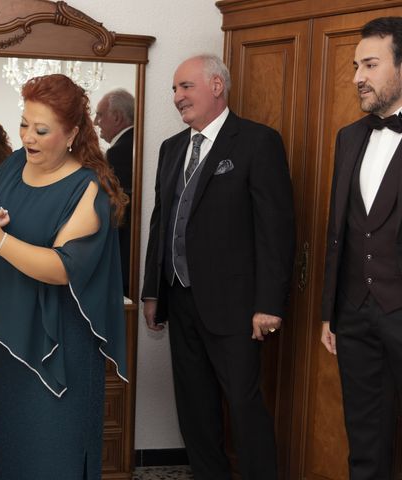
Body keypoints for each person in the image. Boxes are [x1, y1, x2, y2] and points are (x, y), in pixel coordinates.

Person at [0, 73, 129, 479]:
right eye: (24, 124)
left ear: (72, 134)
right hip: (15, 341)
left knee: (54, 453)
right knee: (17, 450)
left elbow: (64, 268)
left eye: (41, 130)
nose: (28, 136)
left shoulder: (88, 188)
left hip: (64, 343)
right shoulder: (13, 166)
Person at [141, 54, 295, 480]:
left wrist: (269, 304)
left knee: (244, 407)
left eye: (185, 87)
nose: (177, 97)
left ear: (216, 86)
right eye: (174, 89)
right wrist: (153, 291)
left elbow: (275, 230)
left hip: (237, 307)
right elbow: (161, 222)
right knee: (194, 407)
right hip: (180, 298)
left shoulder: (257, 142)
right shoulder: (172, 149)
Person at [320, 16, 402, 480]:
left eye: (370, 64)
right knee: (365, 442)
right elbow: (341, 230)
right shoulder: (349, 137)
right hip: (355, 314)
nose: (356, 77)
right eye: (356, 65)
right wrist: (330, 312)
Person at [94, 88, 134, 296]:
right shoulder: (136, 142)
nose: (95, 122)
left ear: (117, 117)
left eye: (99, 115)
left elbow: (116, 208)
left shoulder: (119, 152)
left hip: (124, 249)